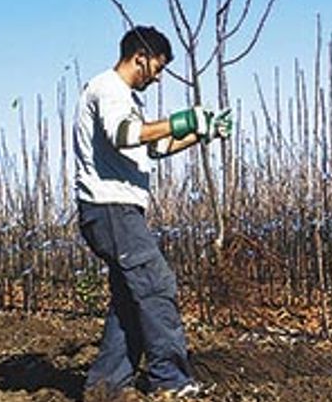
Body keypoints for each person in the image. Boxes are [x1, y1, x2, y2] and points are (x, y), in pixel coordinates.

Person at [74, 25, 231, 398]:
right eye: (157, 68)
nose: (158, 77)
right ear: (139, 58)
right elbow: (125, 134)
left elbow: (153, 147)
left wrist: (201, 131)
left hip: (115, 210)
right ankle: (172, 383)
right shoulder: (108, 88)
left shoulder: (125, 98)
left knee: (130, 298)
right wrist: (182, 119)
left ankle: (105, 385)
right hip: (111, 208)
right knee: (157, 288)